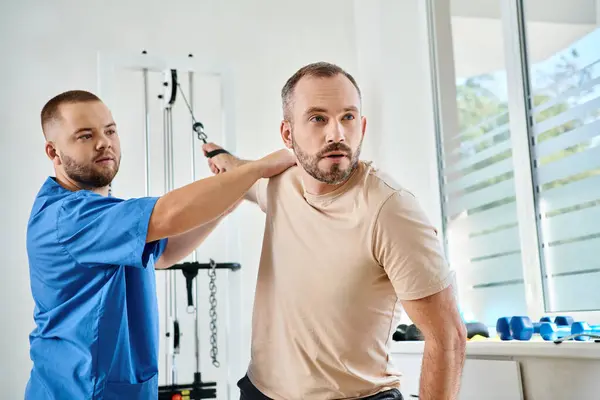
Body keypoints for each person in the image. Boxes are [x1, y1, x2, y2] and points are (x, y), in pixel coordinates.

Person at [203, 62, 467, 400]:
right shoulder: (278, 184)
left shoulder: (390, 210)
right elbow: (241, 173)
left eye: (348, 117)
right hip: (259, 391)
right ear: (287, 135)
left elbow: (448, 338)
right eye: (317, 118)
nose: (336, 134)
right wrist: (223, 156)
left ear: (363, 126)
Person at [24, 90, 296, 399]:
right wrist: (259, 168)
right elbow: (167, 214)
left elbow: (165, 252)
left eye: (110, 130)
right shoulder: (67, 217)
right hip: (78, 391)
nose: (104, 142)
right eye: (85, 136)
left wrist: (226, 201)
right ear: (53, 152)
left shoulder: (100, 210)